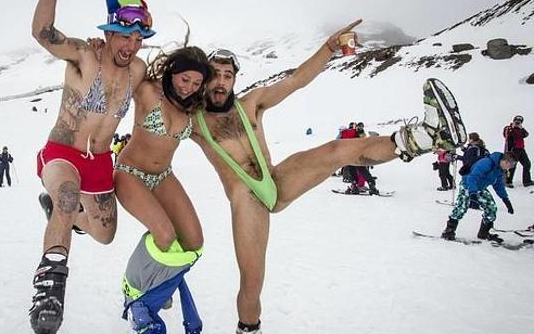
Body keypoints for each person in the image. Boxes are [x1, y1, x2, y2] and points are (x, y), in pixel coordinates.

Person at [190, 20, 467, 334]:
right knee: (252, 283)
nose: (221, 82)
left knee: (338, 150)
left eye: (228, 75)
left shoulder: (251, 103)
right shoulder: (195, 122)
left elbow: (296, 79)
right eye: (214, 75)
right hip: (247, 200)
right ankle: (248, 330)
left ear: (235, 79)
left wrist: (330, 48)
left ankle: (423, 137)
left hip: (277, 180)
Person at [28, 0, 153, 334]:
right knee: (67, 195)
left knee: (105, 234)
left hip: (99, 163)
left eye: (137, 37)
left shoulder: (138, 71)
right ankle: (49, 288)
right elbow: (42, 31)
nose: (131, 44)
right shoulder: (85, 54)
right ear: (110, 30)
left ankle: (59, 215)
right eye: (124, 34)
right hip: (63, 153)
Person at [113, 47, 212, 333]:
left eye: (196, 84)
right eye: (184, 80)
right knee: (165, 235)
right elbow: (119, 67)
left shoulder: (192, 108)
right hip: (130, 173)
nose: (189, 88)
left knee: (194, 243)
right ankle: (133, 289)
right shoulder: (147, 91)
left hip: (163, 176)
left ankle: (160, 285)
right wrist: (105, 47)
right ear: (172, 72)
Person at [440, 152, 517, 243]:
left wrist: (505, 199)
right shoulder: (487, 163)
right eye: (511, 165)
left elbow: (498, 185)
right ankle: (449, 230)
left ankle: (484, 233)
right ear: (505, 161)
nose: (510, 168)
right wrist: (472, 193)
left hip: (480, 188)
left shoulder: (499, 169)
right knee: (462, 207)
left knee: (491, 208)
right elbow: (472, 177)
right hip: (468, 185)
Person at [503, 115, 532, 188]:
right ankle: (508, 181)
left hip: (521, 149)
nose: (517, 123)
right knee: (512, 166)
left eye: (519, 122)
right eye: (516, 121)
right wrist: (512, 127)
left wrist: (521, 128)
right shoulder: (508, 128)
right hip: (513, 149)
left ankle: (527, 181)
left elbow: (526, 134)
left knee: (527, 164)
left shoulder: (521, 129)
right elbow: (506, 135)